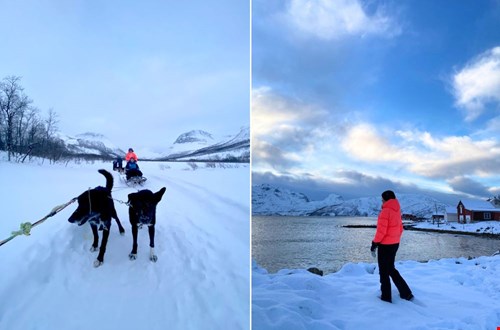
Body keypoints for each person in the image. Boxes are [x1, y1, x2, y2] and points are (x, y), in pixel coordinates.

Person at [370, 190, 413, 303]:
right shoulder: (397, 210)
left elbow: (381, 231)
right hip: (395, 244)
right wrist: (395, 239)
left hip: (385, 245)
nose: (381, 201)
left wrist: (375, 243)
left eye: (382, 199)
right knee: (391, 269)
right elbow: (400, 229)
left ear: (386, 199)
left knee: (384, 272)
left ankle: (386, 297)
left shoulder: (385, 211)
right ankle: (406, 293)